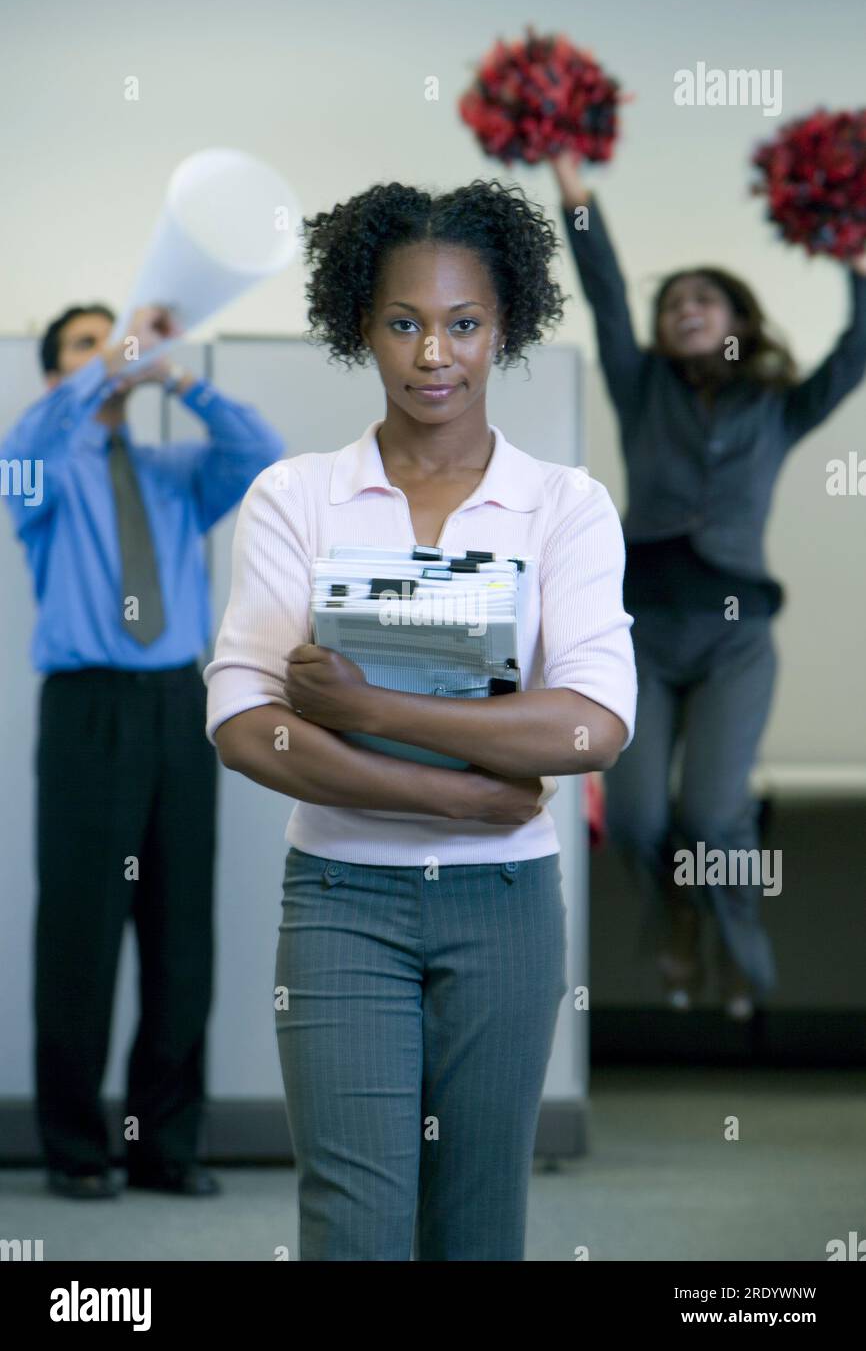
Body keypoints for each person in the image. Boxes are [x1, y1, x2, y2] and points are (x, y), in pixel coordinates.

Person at [203, 177, 637, 1261]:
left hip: (505, 907)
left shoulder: (562, 506)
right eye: (403, 323)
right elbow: (246, 723)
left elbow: (591, 729)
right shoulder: (296, 496)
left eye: (462, 324)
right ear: (363, 326)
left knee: (476, 1226)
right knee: (353, 1227)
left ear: (506, 328)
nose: (432, 353)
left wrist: (365, 707)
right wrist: (450, 792)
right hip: (342, 901)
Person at [549, 150, 866, 1019]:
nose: (686, 309)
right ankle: (678, 917)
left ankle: (738, 944)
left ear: (736, 320)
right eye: (674, 303)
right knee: (644, 817)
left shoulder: (780, 404)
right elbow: (605, 290)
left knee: (715, 811)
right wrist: (573, 189)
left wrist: (852, 251)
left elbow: (858, 347)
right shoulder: (639, 383)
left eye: (704, 299)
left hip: (735, 639)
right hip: (642, 630)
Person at [1, 303, 285, 1198]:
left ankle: (167, 1145)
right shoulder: (41, 475)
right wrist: (102, 372)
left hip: (177, 705)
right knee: (80, 935)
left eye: (115, 341)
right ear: (56, 376)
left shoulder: (174, 475)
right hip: (87, 709)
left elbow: (259, 453)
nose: (111, 356)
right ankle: (77, 1151)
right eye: (85, 345)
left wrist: (176, 375)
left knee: (179, 934)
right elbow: (25, 446)